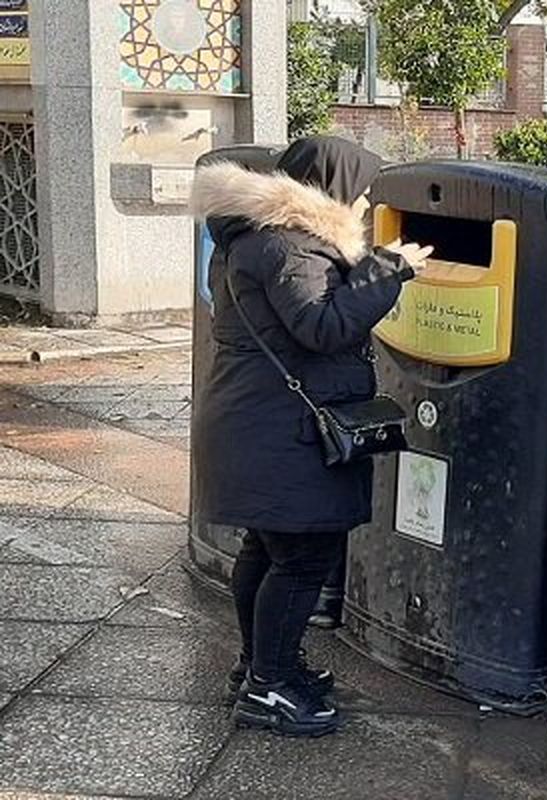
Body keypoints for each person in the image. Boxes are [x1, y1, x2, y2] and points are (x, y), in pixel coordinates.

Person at [190, 136, 430, 737]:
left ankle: (258, 666)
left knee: (267, 550)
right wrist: (387, 271)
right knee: (301, 559)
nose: (367, 202)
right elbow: (321, 325)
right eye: (363, 191)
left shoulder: (254, 239)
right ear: (332, 187)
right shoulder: (288, 246)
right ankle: (268, 689)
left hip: (257, 423)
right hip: (281, 431)